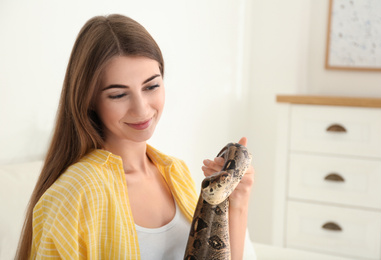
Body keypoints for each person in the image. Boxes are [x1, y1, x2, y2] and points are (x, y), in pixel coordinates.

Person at [16, 14, 254, 260]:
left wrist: (237, 202)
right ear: (89, 100)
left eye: (151, 86)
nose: (141, 109)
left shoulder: (176, 172)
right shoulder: (74, 193)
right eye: (119, 95)